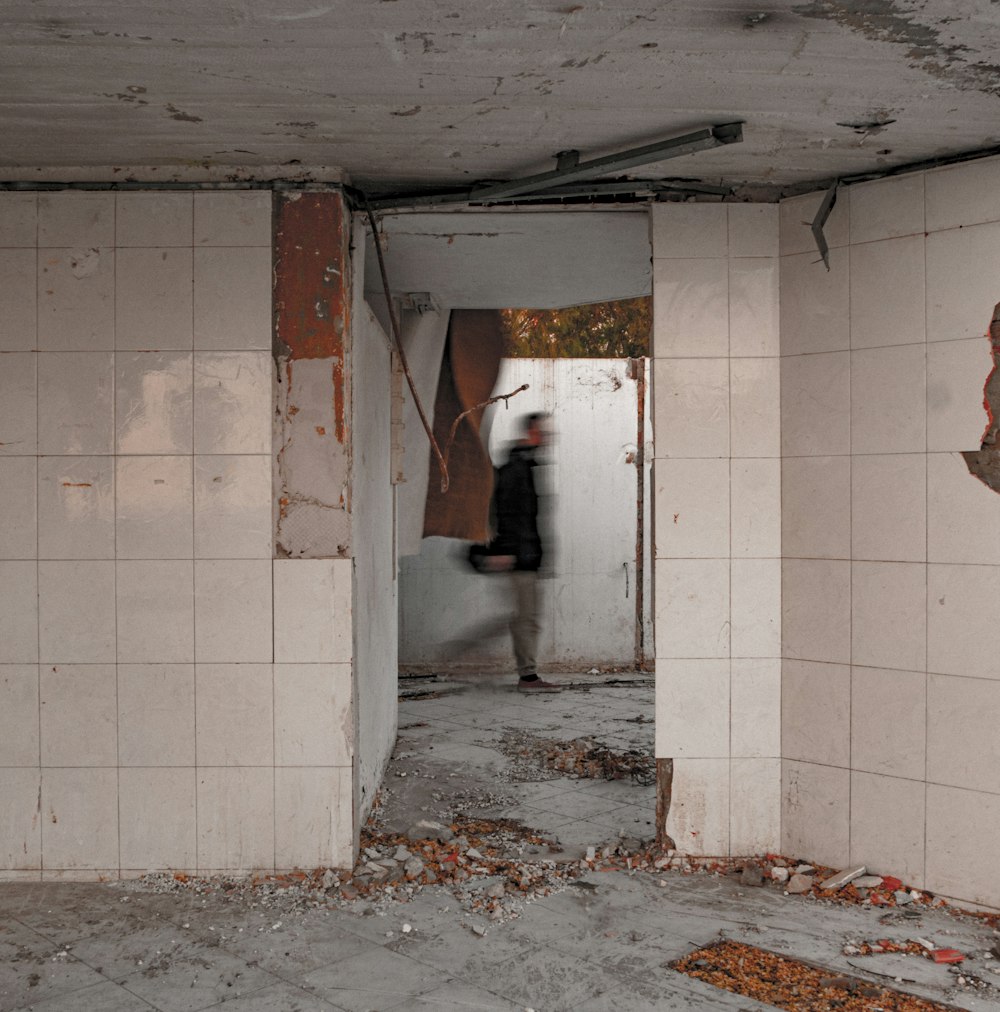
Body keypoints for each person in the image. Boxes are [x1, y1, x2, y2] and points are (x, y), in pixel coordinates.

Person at [488, 412, 561, 692]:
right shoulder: (516, 468)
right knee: (526, 617)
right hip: (520, 556)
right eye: (544, 432)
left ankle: (526, 674)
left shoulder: (525, 464)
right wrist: (505, 550)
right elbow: (505, 512)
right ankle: (528, 678)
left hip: (526, 554)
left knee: (523, 616)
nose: (549, 438)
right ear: (532, 433)